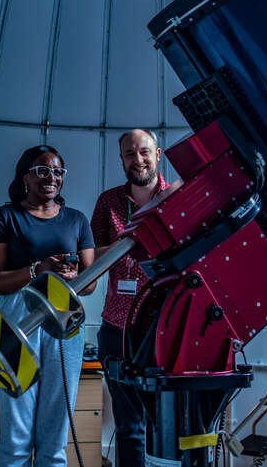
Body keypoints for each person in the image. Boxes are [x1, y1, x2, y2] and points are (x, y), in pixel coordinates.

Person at [0, 145, 96, 467]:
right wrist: (38, 270)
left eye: (58, 172)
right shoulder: (6, 216)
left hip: (64, 314)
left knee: (56, 426)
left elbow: (89, 283)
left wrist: (74, 277)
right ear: (25, 177)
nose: (52, 177)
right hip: (17, 315)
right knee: (17, 428)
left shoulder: (76, 220)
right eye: (43, 170)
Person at [90, 129, 171, 467]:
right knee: (129, 427)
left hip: (166, 329)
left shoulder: (178, 198)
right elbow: (89, 257)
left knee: (170, 423)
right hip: (117, 328)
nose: (138, 160)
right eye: (129, 154)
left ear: (158, 153)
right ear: (121, 159)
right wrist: (131, 242)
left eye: (144, 152)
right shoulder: (108, 202)